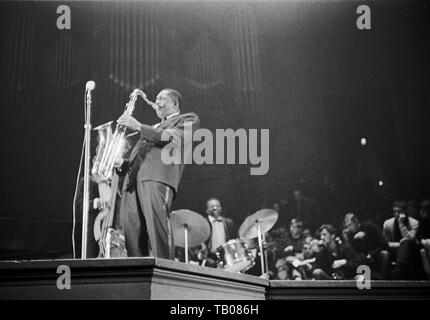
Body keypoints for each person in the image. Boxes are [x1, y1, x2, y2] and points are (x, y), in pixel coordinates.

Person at [116, 88, 199, 259]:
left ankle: (165, 273)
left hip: (157, 178)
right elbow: (140, 157)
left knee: (157, 230)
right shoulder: (153, 127)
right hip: (132, 182)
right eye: (156, 98)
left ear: (175, 103)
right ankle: (137, 274)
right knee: (132, 233)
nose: (157, 101)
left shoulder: (188, 119)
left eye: (162, 98)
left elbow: (172, 138)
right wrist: (122, 164)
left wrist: (138, 126)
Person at [383, 200, 425, 279]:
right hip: (394, 250)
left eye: (399, 211)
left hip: (411, 251)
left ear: (405, 211)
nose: (396, 214)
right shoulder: (387, 224)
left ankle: (399, 271)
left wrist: (401, 224)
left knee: (406, 242)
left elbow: (411, 239)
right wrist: (401, 244)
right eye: (394, 211)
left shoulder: (414, 223)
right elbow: (386, 243)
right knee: (403, 243)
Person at [343, 213, 390, 279]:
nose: (349, 228)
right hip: (364, 259)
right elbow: (356, 252)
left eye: (350, 225)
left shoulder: (369, 226)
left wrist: (365, 238)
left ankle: (386, 281)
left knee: (385, 254)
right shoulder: (350, 234)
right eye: (347, 226)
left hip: (376, 254)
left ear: (356, 221)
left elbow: (383, 243)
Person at [204, 197, 235, 268]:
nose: (215, 208)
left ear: (221, 208)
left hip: (225, 257)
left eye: (217, 206)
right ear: (207, 210)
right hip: (209, 258)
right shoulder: (204, 223)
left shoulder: (228, 223)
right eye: (212, 206)